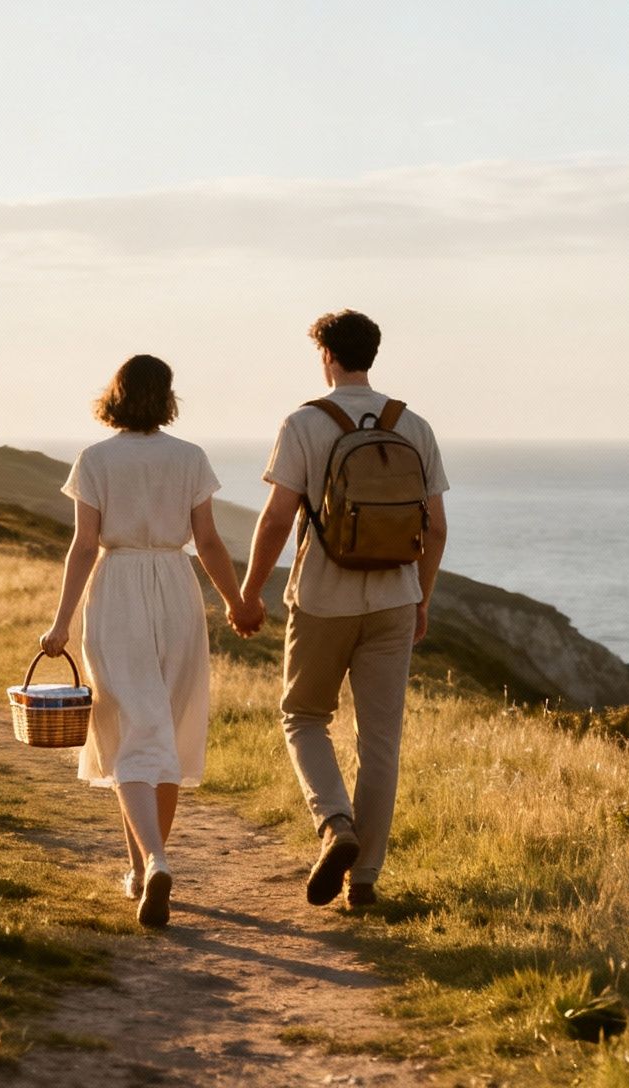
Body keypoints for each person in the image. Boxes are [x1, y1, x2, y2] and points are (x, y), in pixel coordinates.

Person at [232, 311, 449, 909]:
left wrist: (250, 592)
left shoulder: (304, 423)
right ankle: (366, 881)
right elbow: (437, 529)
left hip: (324, 597)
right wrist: (421, 598)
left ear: (326, 354)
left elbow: (277, 519)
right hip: (395, 598)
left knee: (303, 716)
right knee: (381, 741)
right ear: (372, 354)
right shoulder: (414, 426)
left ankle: (335, 824)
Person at [40, 354, 249, 928]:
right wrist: (233, 602)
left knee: (132, 728)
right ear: (166, 396)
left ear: (117, 394)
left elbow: (84, 545)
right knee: (166, 732)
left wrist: (61, 623)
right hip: (177, 590)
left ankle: (154, 860)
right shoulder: (190, 458)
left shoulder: (96, 459)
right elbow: (207, 541)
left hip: (118, 589)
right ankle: (142, 870)